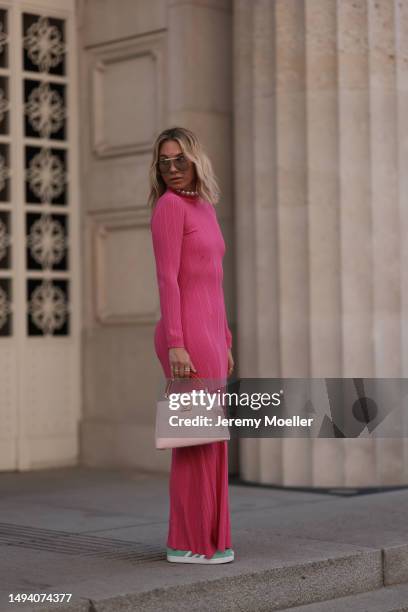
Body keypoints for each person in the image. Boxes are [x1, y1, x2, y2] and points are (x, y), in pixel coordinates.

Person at [149, 126, 235, 564]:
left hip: (210, 336)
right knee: (193, 442)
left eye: (179, 159)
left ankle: (213, 539)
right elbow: (168, 280)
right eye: (164, 161)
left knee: (211, 438)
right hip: (184, 338)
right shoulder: (168, 208)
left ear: (196, 160)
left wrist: (226, 337)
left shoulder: (205, 207)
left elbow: (213, 282)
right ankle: (187, 541)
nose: (172, 169)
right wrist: (178, 345)